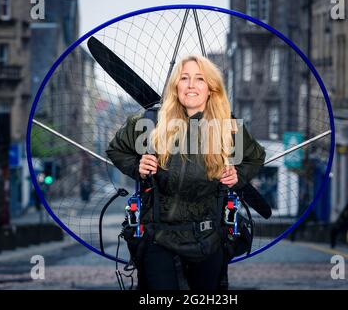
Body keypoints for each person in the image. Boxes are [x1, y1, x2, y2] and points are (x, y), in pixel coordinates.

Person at [106, 55, 265, 290]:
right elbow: (116, 149)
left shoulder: (227, 128)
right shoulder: (150, 122)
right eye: (184, 78)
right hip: (158, 237)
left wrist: (238, 176)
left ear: (211, 89)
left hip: (209, 238)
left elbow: (256, 156)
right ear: (176, 86)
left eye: (200, 79)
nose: (191, 85)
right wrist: (136, 167)